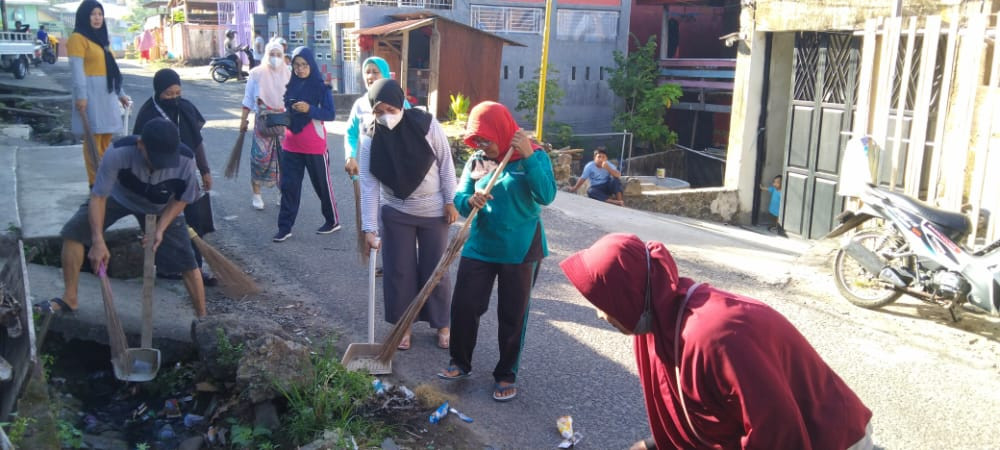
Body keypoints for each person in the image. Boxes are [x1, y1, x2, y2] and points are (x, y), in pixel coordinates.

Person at [559, 233, 874, 449]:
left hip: (829, 438)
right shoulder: (663, 319)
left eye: (604, 302)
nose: (600, 315)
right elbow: (704, 412)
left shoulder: (713, 335)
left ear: (629, 292)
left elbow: (778, 433)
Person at [437, 101, 557, 402]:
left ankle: (505, 373)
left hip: (521, 247)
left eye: (487, 139)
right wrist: (471, 200)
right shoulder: (477, 160)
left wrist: (528, 156)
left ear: (502, 132)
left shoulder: (535, 155)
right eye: (477, 139)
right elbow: (460, 197)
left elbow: (546, 195)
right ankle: (459, 362)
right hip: (481, 244)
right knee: (465, 305)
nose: (482, 145)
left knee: (512, 314)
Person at [45, 118, 207, 318]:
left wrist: (160, 229)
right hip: (119, 197)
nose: (161, 166)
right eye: (155, 159)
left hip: (160, 206)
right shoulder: (118, 152)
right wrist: (97, 240)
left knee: (186, 260)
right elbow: (99, 196)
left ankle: (202, 319)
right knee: (73, 233)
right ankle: (70, 298)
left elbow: (182, 199)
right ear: (141, 145)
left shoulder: (185, 159)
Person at [360, 79, 457, 350]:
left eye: (391, 109)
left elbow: (446, 162)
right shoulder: (369, 136)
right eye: (379, 111)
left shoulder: (425, 124)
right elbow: (369, 184)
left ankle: (442, 323)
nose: (385, 116)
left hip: (433, 210)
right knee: (398, 271)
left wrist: (450, 200)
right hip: (396, 210)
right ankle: (403, 325)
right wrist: (369, 229)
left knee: (435, 269)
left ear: (402, 105)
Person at [132, 69, 216, 285]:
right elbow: (139, 150)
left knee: (194, 219)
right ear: (159, 92)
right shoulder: (148, 114)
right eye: (169, 94)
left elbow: (197, 142)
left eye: (177, 92)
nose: (174, 98)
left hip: (185, 173)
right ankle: (167, 268)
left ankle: (195, 266)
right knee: (165, 223)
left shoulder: (185, 109)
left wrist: (204, 170)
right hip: (158, 176)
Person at [273, 46, 340, 242]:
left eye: (304, 65)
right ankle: (284, 227)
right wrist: (280, 118)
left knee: (322, 186)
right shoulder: (291, 86)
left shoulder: (321, 88)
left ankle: (332, 220)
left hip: (314, 146)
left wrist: (309, 109)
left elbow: (330, 114)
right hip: (291, 144)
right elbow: (289, 111)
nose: (300, 69)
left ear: (311, 65)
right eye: (296, 65)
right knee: (289, 187)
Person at [68, 0, 130, 186]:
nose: (97, 18)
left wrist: (121, 93)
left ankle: (105, 179)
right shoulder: (77, 39)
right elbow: (77, 71)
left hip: (107, 95)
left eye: (100, 14)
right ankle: (95, 182)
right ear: (84, 16)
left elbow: (112, 71)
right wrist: (81, 97)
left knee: (105, 138)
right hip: (90, 96)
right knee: (93, 140)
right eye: (93, 14)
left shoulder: (103, 40)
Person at [239, 41, 289, 210]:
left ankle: (281, 192)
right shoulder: (256, 74)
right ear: (266, 55)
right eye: (272, 54)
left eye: (278, 55)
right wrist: (243, 121)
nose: (275, 58)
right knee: (260, 158)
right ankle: (257, 194)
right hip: (263, 123)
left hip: (283, 125)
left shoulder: (288, 74)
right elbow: (247, 100)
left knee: (283, 161)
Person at [344, 56, 410, 178]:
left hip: (396, 166)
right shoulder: (360, 104)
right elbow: (351, 134)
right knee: (369, 197)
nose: (370, 76)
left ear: (385, 74)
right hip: (369, 167)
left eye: (375, 72)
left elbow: (411, 131)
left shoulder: (399, 101)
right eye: (367, 72)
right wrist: (350, 156)